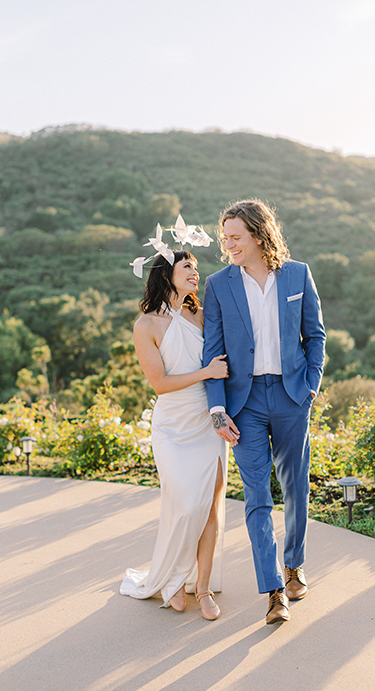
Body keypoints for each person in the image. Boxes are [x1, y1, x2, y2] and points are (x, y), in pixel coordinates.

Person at [203, 199, 326, 624]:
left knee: (296, 489)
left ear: (257, 234)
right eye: (225, 238)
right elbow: (212, 350)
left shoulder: (297, 274)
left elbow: (316, 335)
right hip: (245, 403)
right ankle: (274, 591)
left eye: (235, 237)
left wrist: (311, 385)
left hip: (293, 396)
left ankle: (294, 564)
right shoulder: (219, 285)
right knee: (258, 497)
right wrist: (217, 408)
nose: (228, 245)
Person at [119, 250, 229, 621]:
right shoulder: (145, 326)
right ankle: (174, 580)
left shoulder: (202, 315)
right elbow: (161, 384)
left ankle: (201, 587)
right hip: (171, 426)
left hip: (206, 421)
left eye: (196, 267)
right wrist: (207, 372)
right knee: (184, 504)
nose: (195, 272)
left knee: (210, 507)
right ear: (167, 274)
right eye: (187, 267)